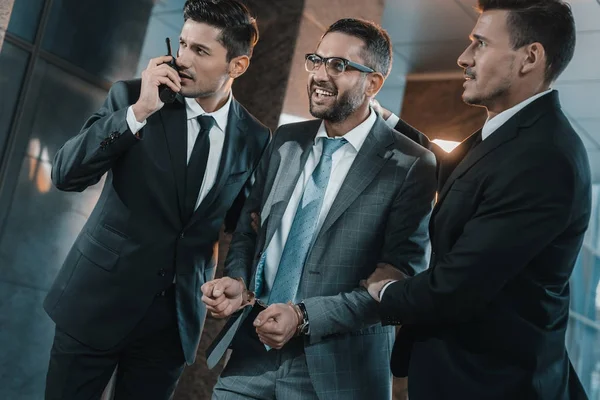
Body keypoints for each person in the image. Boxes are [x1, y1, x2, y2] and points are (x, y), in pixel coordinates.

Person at [200, 18, 437, 400]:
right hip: (251, 358)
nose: (320, 75)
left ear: (372, 83)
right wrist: (240, 282)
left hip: (339, 374)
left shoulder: (410, 164)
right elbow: (249, 230)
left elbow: (399, 284)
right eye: (317, 60)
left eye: (339, 65)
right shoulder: (286, 141)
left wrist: (304, 317)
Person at [365, 1, 591, 398]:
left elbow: (455, 288)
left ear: (529, 57)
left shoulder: (545, 157)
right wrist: (389, 123)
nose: (463, 58)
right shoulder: (517, 133)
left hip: (492, 384)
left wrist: (383, 290)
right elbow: (462, 173)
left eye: (480, 44)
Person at [43, 1, 270, 398]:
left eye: (200, 51)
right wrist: (138, 112)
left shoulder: (255, 137)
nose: (182, 59)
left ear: (238, 66)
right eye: (182, 44)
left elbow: (242, 224)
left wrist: (237, 276)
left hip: (172, 326)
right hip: (97, 303)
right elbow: (66, 174)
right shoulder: (131, 97)